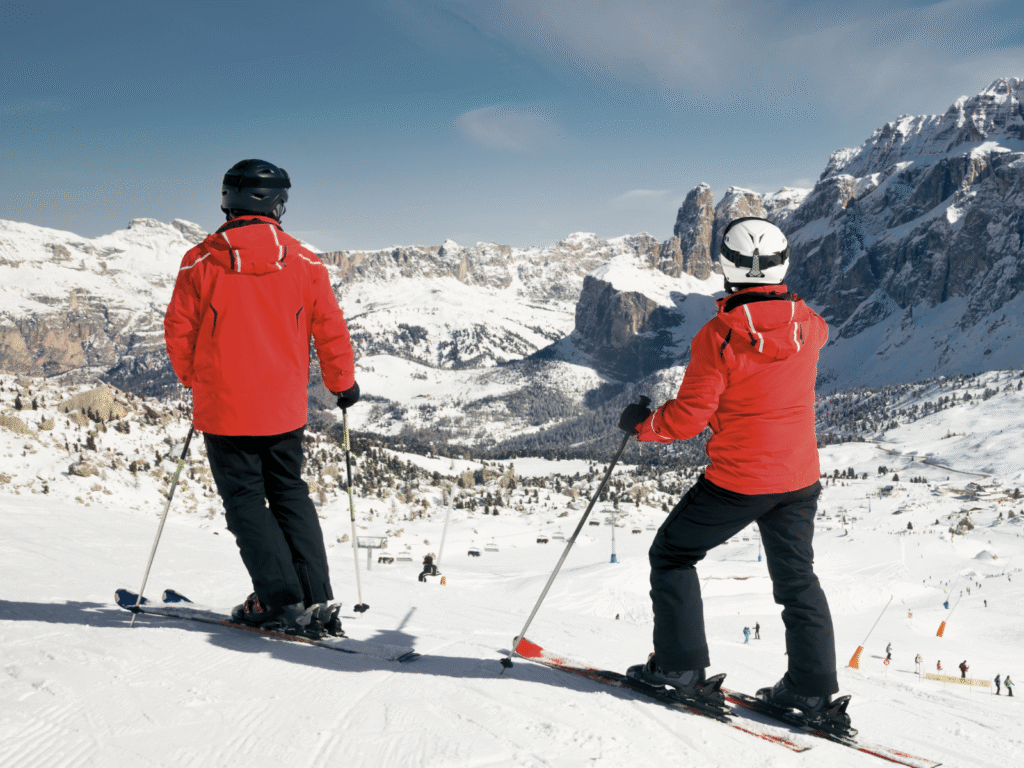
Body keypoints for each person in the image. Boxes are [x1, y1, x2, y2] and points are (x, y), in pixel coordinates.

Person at [619, 217, 839, 720]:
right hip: (800, 479)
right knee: (798, 580)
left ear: (726, 267)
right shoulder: (811, 324)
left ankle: (679, 669)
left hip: (740, 480)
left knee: (672, 554)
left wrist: (642, 426)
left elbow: (688, 419)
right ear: (783, 263)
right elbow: (797, 339)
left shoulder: (718, 336)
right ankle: (811, 691)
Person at [165, 159, 359, 635]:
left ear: (229, 201)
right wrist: (343, 384)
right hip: (284, 408)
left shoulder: (199, 260)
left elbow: (179, 331)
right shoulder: (305, 261)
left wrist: (197, 380)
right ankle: (316, 598)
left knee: (247, 502)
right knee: (290, 493)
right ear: (278, 204)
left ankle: (281, 601)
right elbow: (330, 330)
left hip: (223, 407)